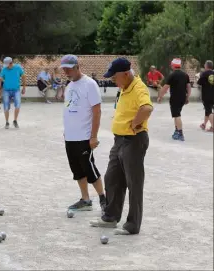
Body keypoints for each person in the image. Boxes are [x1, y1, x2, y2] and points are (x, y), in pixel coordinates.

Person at [90, 57, 153, 235]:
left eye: (114, 77)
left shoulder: (139, 87)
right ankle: (110, 217)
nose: (112, 81)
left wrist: (134, 124)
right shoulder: (125, 87)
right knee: (112, 178)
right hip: (119, 141)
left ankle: (132, 225)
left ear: (126, 74)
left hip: (134, 140)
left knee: (134, 183)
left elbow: (147, 108)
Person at [60, 55, 106, 213]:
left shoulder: (90, 84)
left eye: (69, 68)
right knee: (77, 170)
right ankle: (85, 199)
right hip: (70, 137)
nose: (66, 71)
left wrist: (93, 136)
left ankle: (103, 198)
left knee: (89, 168)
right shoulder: (69, 86)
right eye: (64, 69)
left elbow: (97, 111)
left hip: (84, 136)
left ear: (77, 66)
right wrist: (66, 131)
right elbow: (69, 110)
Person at [157, 58, 191, 141]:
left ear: (173, 65)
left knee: (177, 115)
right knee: (176, 114)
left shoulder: (172, 75)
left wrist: (160, 96)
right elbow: (189, 87)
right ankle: (176, 130)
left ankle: (180, 133)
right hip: (182, 97)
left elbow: (165, 87)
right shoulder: (185, 75)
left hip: (175, 98)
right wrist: (187, 97)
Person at [0, 57, 26, 129]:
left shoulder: (18, 68)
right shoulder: (4, 69)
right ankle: (7, 122)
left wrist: (24, 87)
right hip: (6, 90)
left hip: (16, 90)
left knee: (18, 105)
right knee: (6, 106)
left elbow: (23, 76)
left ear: (11, 63)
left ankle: (15, 120)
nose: (7, 66)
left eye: (8, 65)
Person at [197, 60, 214, 132]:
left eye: (204, 64)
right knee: (208, 110)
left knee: (209, 111)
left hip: (207, 95)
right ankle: (204, 124)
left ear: (206, 66)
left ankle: (213, 127)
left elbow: (199, 83)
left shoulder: (204, 74)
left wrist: (198, 77)